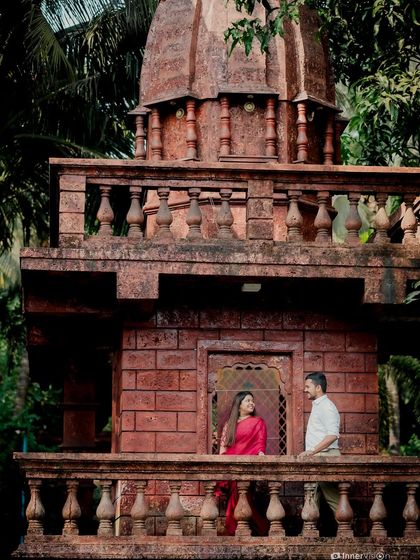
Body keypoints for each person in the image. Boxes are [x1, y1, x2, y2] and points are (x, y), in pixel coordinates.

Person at [216, 391, 269, 536]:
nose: (252, 403)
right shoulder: (229, 424)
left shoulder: (258, 422)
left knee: (242, 496)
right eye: (248, 401)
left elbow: (260, 442)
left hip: (247, 465)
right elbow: (224, 447)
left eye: (252, 401)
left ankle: (253, 528)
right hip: (231, 465)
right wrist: (221, 465)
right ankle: (255, 528)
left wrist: (261, 454)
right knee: (236, 497)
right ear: (239, 405)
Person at [298, 372, 341, 514]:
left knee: (332, 498)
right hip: (318, 456)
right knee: (311, 496)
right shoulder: (318, 405)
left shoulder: (326, 406)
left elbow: (333, 435)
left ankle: (349, 530)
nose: (305, 389)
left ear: (318, 388)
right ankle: (307, 534)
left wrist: (312, 451)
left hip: (325, 456)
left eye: (307, 386)